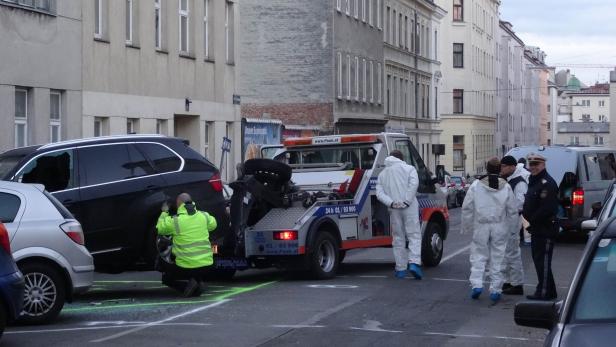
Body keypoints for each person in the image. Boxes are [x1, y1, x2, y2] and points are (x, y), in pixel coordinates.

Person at [462, 157, 518, 303]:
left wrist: (466, 226)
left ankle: (476, 285)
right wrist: (513, 229)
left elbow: (467, 206)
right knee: (498, 256)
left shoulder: (476, 185)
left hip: (481, 224)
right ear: (499, 169)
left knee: (479, 255)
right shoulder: (505, 186)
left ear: (486, 168)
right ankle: (496, 289)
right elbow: (512, 210)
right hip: (499, 225)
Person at [156, 193, 217, 297]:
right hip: (207, 265)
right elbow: (213, 225)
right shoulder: (204, 216)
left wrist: (164, 212)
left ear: (179, 204)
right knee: (195, 264)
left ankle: (190, 288)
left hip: (186, 266)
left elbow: (159, 229)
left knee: (165, 273)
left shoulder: (175, 221)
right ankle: (197, 281)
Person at [376, 149, 423, 280]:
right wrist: (407, 201)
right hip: (409, 207)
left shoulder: (383, 174)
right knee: (414, 235)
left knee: (398, 238)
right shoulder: (409, 169)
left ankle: (401, 268)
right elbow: (414, 185)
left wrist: (391, 203)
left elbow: (379, 193)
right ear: (402, 158)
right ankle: (414, 263)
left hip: (394, 209)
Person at [522, 153, 559, 301]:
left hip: (545, 227)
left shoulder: (547, 183)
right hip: (538, 227)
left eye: (536, 164)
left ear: (543, 165)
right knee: (540, 261)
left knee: (542, 261)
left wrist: (532, 221)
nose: (533, 167)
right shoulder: (535, 181)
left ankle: (543, 292)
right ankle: (550, 290)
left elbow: (547, 208)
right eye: (531, 165)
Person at [499, 156, 529, 295]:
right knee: (506, 253)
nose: (501, 168)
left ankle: (517, 284)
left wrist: (504, 209)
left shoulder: (519, 182)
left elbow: (520, 203)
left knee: (512, 253)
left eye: (504, 166)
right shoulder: (510, 180)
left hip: (512, 221)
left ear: (512, 167)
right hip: (507, 221)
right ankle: (509, 281)